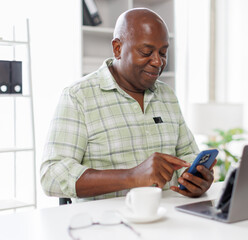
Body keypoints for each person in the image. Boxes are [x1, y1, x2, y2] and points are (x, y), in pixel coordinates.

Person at [40, 8, 216, 201]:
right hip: (108, 225)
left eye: (163, 53)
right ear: (117, 49)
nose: (158, 61)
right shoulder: (78, 96)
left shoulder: (167, 95)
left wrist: (196, 179)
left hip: (169, 217)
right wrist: (131, 176)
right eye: (146, 52)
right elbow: (51, 176)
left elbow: (188, 154)